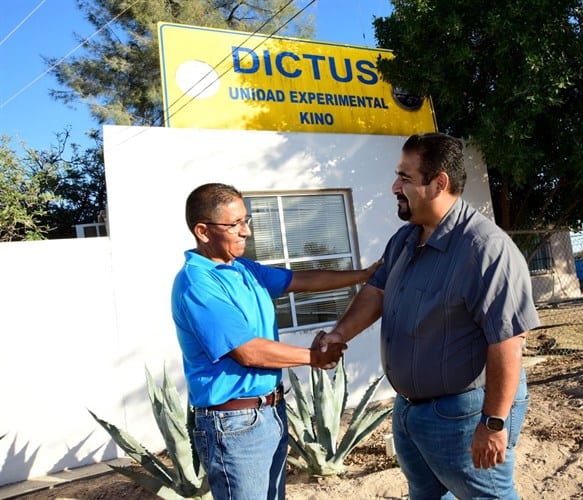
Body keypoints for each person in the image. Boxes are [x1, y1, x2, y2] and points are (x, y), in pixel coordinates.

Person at [316, 133, 540, 499]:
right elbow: (376, 292)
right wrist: (339, 335)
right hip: (410, 413)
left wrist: (493, 423)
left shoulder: (485, 249)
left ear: (439, 184)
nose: (394, 186)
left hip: (466, 415)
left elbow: (508, 342)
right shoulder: (404, 240)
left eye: (405, 178)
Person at [171, 182, 381, 500]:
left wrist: (363, 275)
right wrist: (315, 357)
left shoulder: (243, 270)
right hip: (234, 424)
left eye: (247, 220)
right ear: (203, 231)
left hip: (270, 412)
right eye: (235, 224)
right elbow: (248, 351)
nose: (247, 232)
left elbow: (301, 280)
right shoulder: (197, 284)